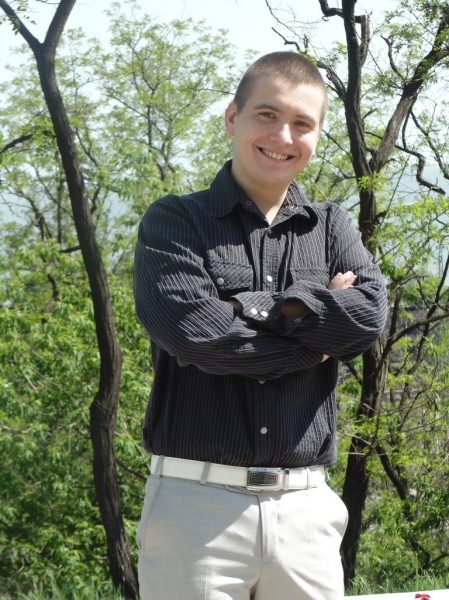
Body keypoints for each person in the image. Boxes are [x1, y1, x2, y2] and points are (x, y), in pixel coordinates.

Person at [134, 51, 387, 600]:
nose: (283, 136)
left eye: (302, 123)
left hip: (305, 510)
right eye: (267, 115)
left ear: (315, 136)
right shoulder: (175, 220)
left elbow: (368, 317)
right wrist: (317, 339)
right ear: (233, 117)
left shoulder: (332, 226)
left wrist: (256, 307)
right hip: (195, 508)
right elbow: (198, 338)